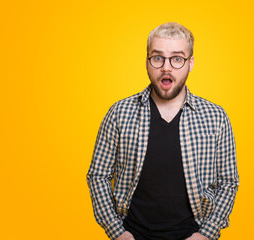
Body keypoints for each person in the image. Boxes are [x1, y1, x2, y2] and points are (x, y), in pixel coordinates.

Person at [86, 22, 239, 240]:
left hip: (193, 234)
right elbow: (98, 176)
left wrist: (206, 234)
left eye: (177, 58)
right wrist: (117, 232)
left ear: (190, 63)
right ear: (147, 62)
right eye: (158, 58)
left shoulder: (216, 118)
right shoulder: (119, 113)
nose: (166, 67)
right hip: (133, 234)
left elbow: (229, 182)